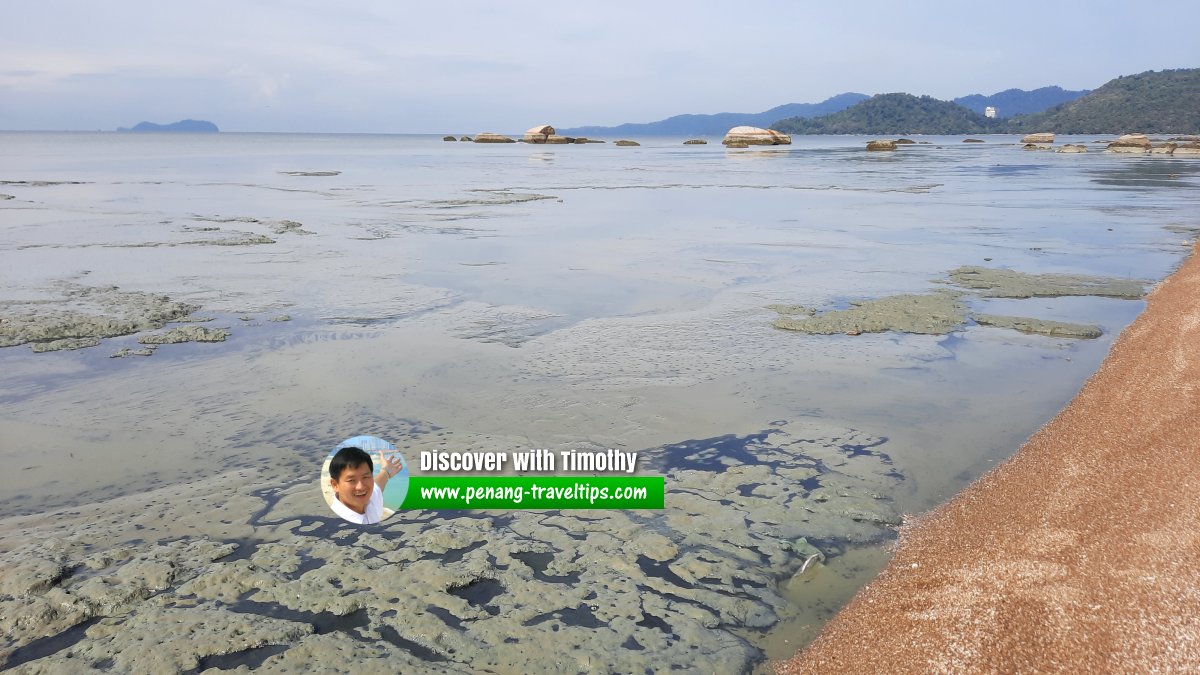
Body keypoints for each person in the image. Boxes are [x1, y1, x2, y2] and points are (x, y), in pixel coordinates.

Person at [327, 445, 404, 525]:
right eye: (351, 480)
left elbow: (377, 486)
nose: (361, 487)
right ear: (335, 485)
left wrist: (386, 471)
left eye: (365, 477)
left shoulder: (370, 499)